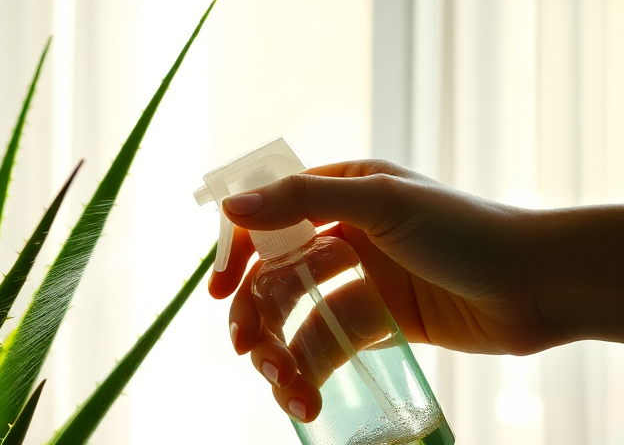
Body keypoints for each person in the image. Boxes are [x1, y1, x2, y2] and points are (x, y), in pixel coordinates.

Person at [209, 159, 624, 422]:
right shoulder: (277, 278)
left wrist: (533, 276)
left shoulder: (339, 249)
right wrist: (534, 283)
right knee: (296, 368)